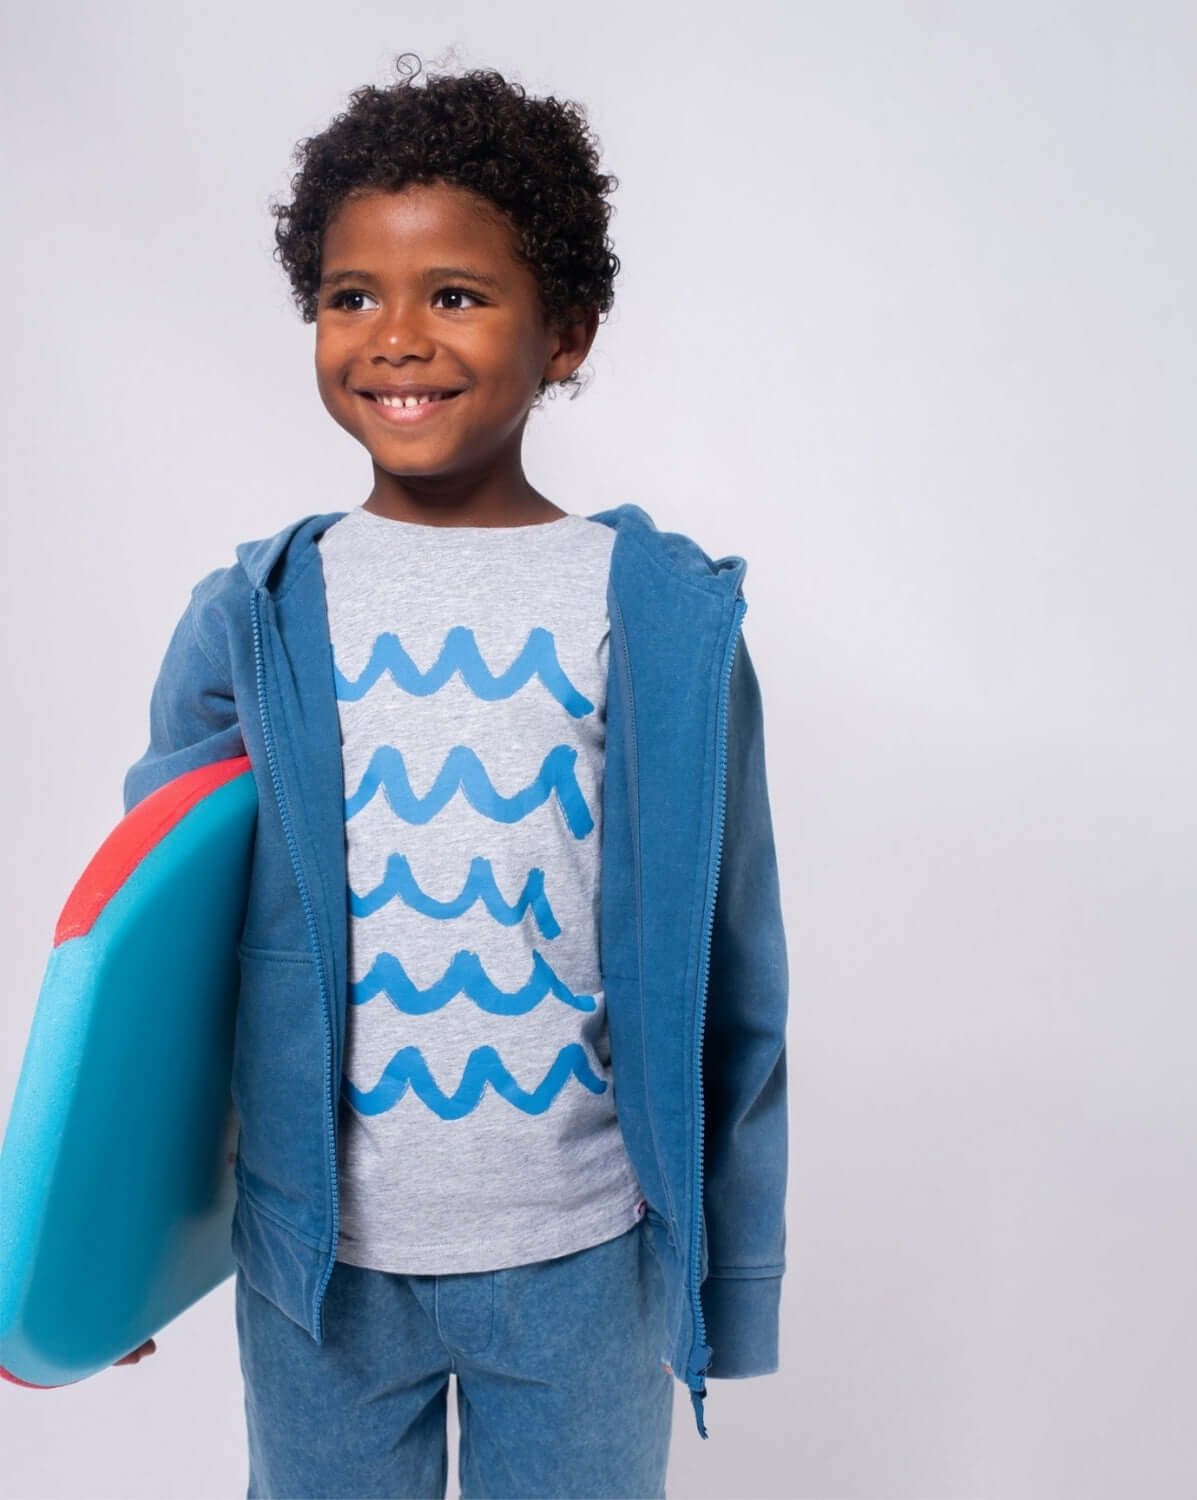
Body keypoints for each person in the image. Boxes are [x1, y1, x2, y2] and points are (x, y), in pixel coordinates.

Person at [119, 53, 789, 1500]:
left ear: (567, 332)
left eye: (458, 296)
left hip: (587, 1257)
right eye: (351, 295)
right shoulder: (253, 615)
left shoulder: (664, 619)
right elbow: (152, 962)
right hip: (319, 1267)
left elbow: (734, 977)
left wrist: (729, 1281)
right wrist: (105, 1256)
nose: (396, 337)